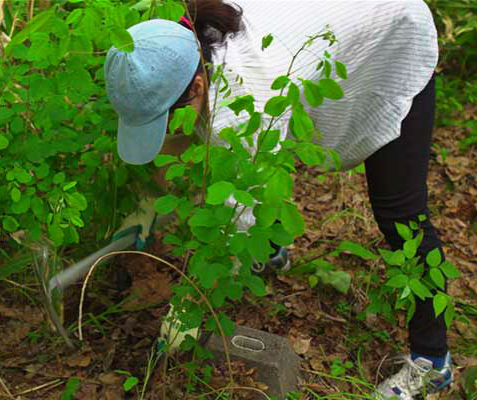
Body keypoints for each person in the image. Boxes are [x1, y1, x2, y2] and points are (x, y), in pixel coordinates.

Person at [104, 0, 453, 398]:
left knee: (400, 213)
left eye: (163, 120)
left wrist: (190, 304)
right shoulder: (174, 46)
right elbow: (180, 137)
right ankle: (271, 251)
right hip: (328, 30)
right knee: (262, 155)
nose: (164, 131)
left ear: (197, 87)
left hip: (393, 34)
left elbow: (236, 216)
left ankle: (433, 361)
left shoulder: (241, 103)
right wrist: (147, 202)